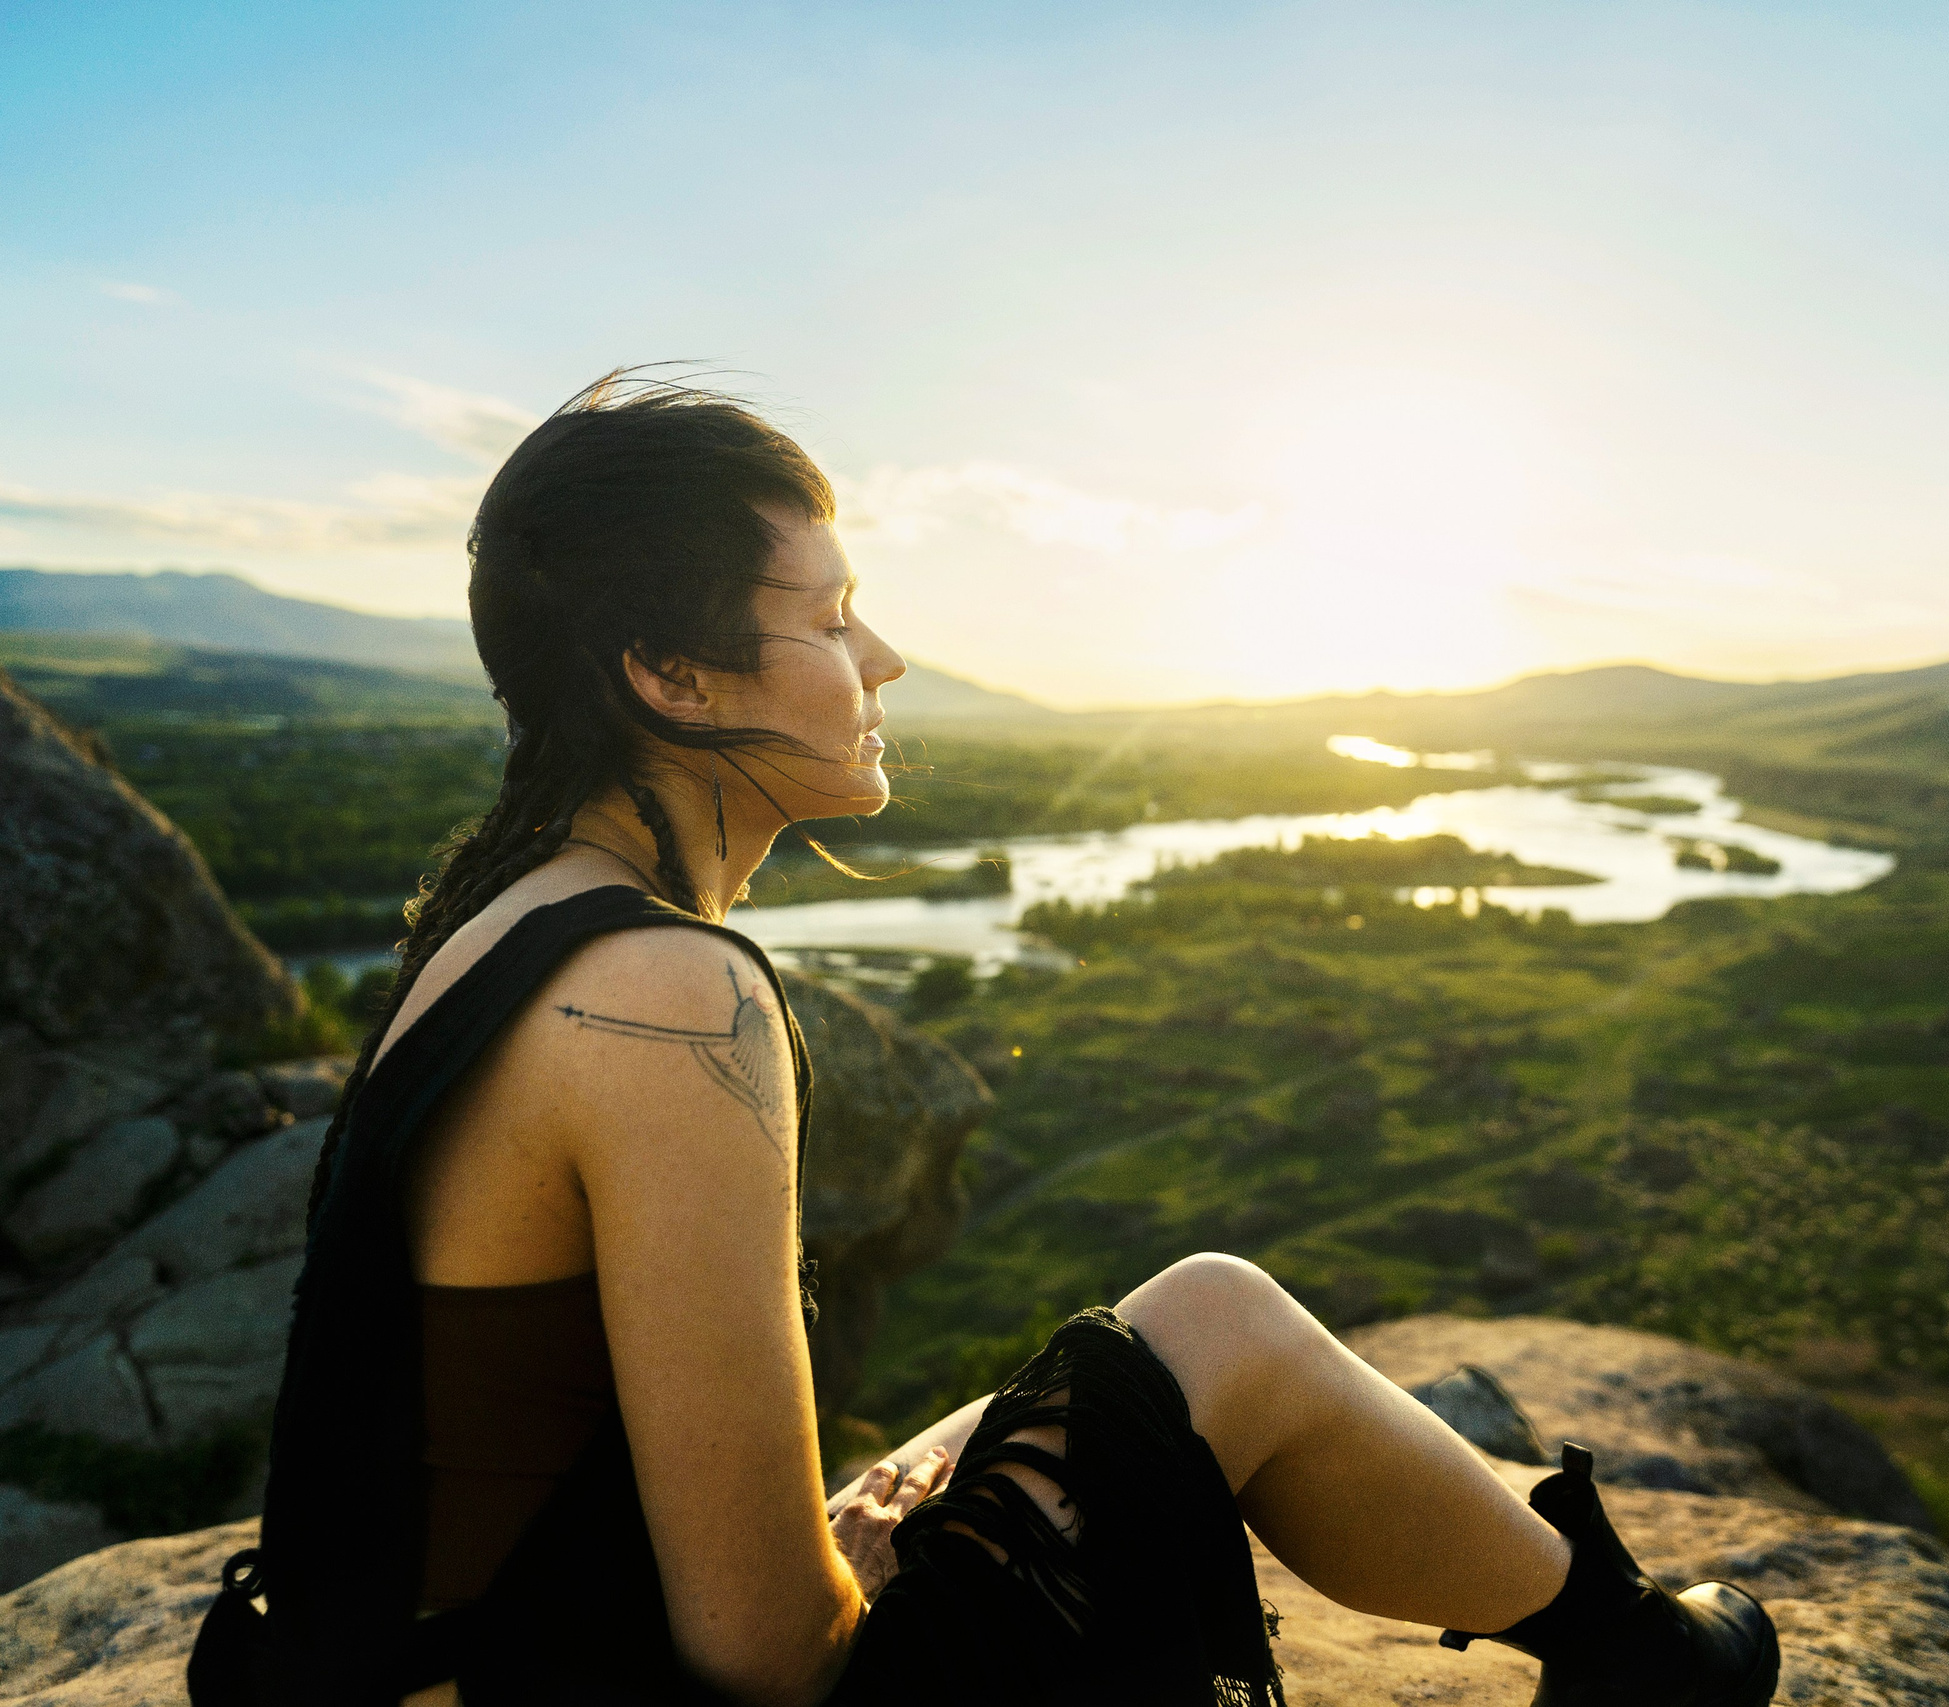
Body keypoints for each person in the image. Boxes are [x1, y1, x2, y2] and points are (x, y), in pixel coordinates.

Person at [187, 374, 1781, 1707]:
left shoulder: (496, 910)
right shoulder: (671, 994)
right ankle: (1641, 1661)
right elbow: (766, 1656)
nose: (884, 661)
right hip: (587, 1688)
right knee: (1211, 1324)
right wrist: (855, 1567)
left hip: (474, 1656)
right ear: (669, 675)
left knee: (1059, 1386)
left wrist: (858, 1528)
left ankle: (1624, 1645)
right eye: (826, 616)